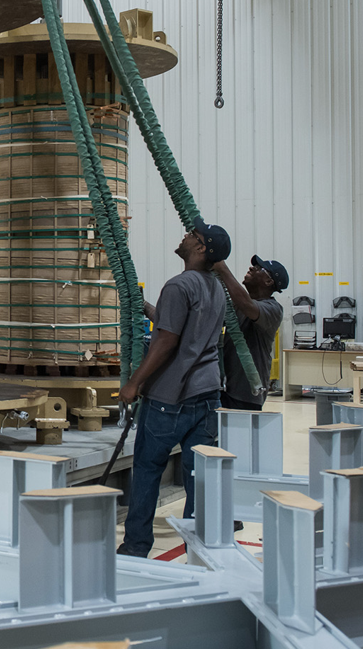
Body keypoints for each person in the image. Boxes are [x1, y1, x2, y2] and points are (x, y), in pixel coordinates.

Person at [117, 222, 231, 558]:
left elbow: (167, 340)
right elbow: (185, 326)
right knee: (198, 475)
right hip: (207, 394)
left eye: (191, 236)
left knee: (148, 470)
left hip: (170, 398)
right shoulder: (214, 288)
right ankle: (202, 544)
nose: (184, 236)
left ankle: (137, 545)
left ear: (200, 248)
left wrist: (134, 383)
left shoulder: (179, 285)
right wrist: (148, 307)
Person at [213, 255, 288, 410]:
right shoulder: (238, 304)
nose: (251, 268)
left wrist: (222, 268)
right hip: (224, 388)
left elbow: (248, 305)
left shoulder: (273, 309)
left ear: (269, 282)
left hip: (245, 393)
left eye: (259, 268)